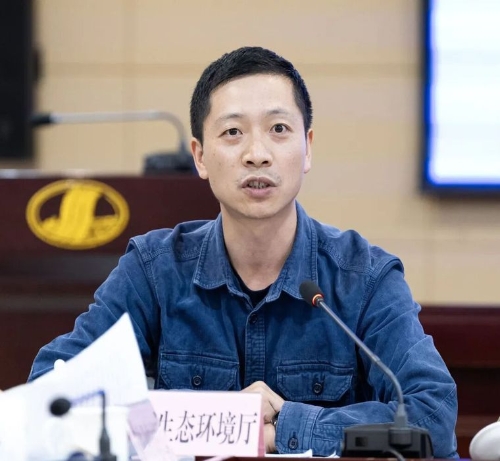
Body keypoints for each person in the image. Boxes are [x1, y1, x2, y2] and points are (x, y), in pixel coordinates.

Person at [28, 46, 458, 457]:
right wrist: (219, 420)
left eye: (279, 129)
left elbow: (432, 414)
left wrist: (280, 429)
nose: (257, 155)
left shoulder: (363, 277)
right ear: (200, 157)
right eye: (233, 132)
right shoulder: (155, 271)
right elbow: (52, 393)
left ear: (307, 148)